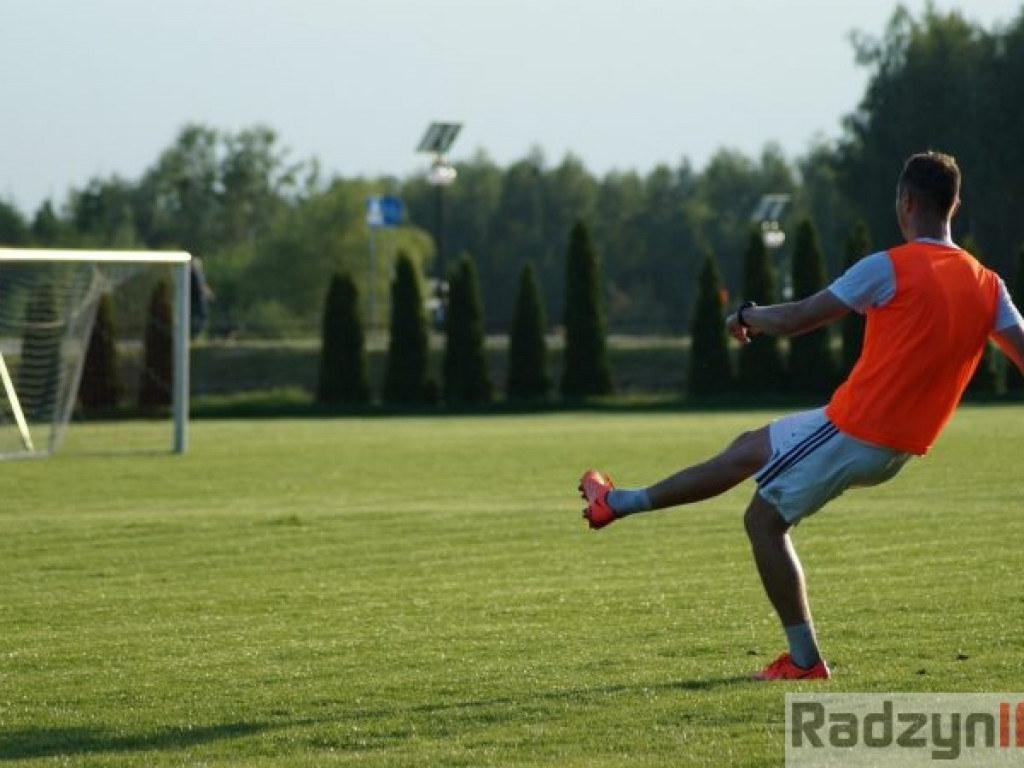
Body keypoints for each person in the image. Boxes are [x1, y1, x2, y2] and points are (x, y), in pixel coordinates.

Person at [577, 151, 1024, 680]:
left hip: (856, 431)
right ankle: (617, 503)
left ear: (906, 203)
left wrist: (746, 316)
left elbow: (796, 319)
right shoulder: (987, 284)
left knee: (762, 521)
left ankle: (806, 661)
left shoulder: (890, 266)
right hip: (892, 441)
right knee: (749, 446)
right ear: (954, 205)